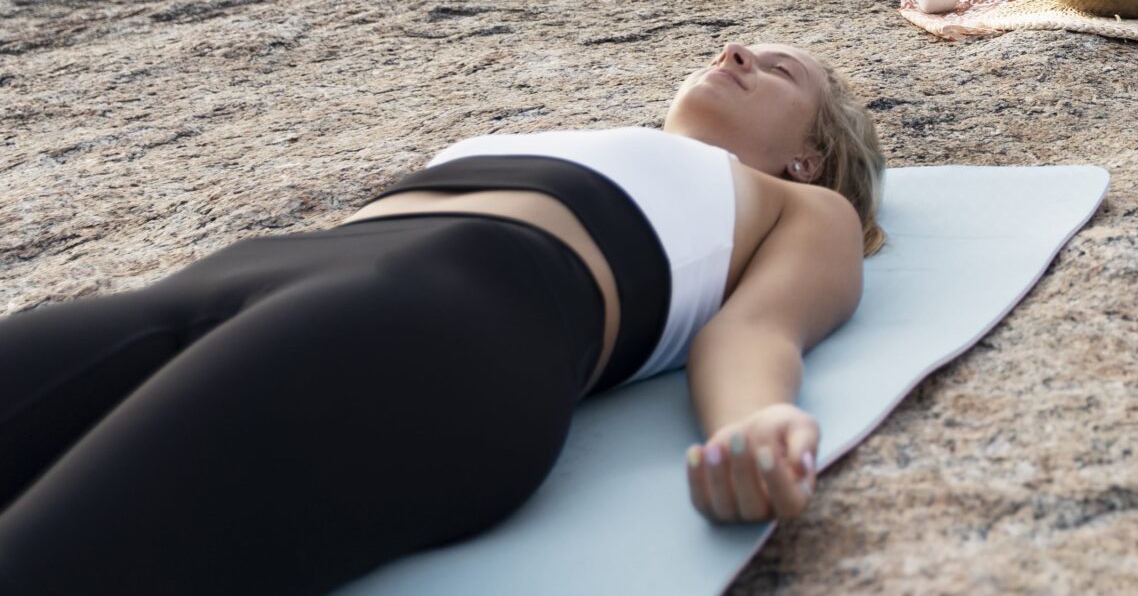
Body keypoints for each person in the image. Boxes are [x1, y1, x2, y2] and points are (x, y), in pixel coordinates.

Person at [0, 42, 888, 595]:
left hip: (435, 318)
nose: (736, 51)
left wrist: (754, 425)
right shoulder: (578, 136)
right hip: (235, 280)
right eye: (742, 46)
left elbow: (753, 332)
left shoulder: (798, 207)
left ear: (810, 157)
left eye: (779, 70)